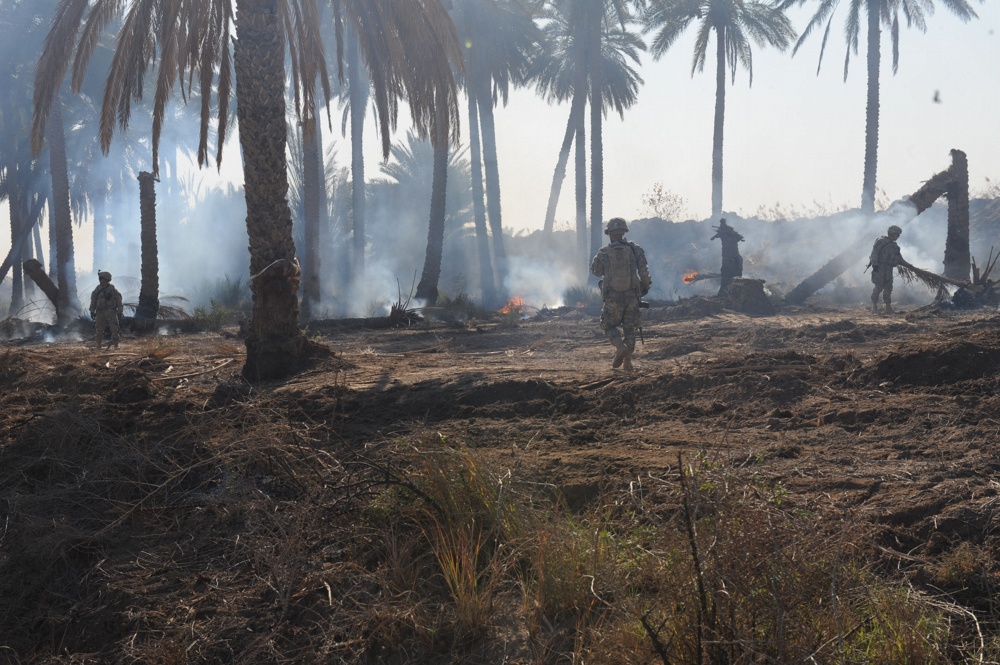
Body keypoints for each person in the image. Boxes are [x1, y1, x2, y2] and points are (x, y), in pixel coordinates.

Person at [590, 217, 652, 370]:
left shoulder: (603, 252)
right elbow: (644, 272)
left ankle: (619, 346)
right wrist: (644, 287)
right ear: (624, 232)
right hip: (632, 296)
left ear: (609, 233)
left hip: (612, 297)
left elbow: (596, 272)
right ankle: (627, 361)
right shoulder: (635, 249)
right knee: (630, 327)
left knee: (607, 325)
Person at [868, 224, 909, 315]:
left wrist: (910, 266)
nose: (897, 237)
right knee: (878, 287)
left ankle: (888, 308)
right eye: (896, 235)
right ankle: (874, 308)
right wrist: (875, 265)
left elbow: (899, 258)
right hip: (880, 267)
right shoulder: (881, 242)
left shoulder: (895, 246)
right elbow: (874, 253)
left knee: (888, 288)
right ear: (891, 233)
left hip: (889, 268)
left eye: (898, 235)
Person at [90, 270, 124, 349]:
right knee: (99, 329)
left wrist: (120, 310)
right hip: (100, 312)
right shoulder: (97, 289)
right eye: (100, 279)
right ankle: (98, 345)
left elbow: (118, 299)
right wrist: (92, 311)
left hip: (111, 311)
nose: (101, 280)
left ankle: (116, 345)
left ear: (106, 279)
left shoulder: (112, 288)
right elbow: (93, 300)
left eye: (102, 278)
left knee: (114, 328)